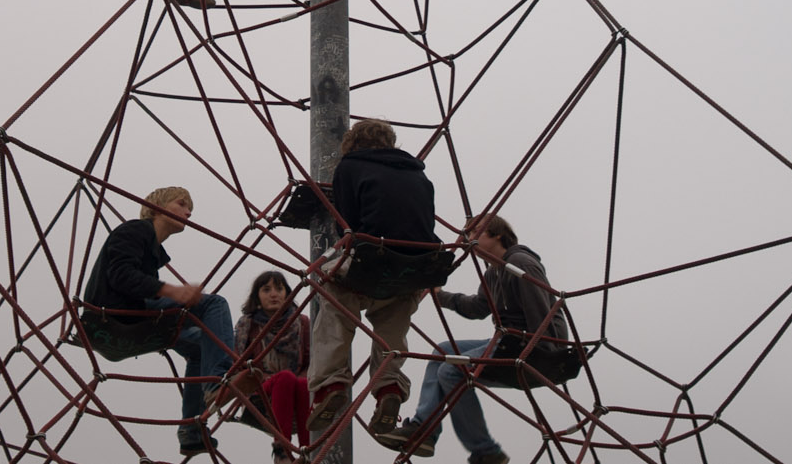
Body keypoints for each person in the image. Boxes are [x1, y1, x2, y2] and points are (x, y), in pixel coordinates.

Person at [372, 215, 567, 464]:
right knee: (441, 351)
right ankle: (423, 429)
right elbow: (477, 308)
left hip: (533, 343)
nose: (469, 240)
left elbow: (540, 308)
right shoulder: (493, 273)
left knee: (451, 371)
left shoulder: (520, 262)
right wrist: (440, 295)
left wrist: (544, 351)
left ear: (497, 234)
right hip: (510, 340)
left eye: (475, 233)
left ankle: (486, 451)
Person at [306, 119, 441, 439]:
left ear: (352, 143)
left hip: (375, 256)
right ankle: (389, 384)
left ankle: (331, 384)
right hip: (418, 263)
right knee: (394, 314)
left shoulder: (350, 167)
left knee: (336, 296)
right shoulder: (418, 173)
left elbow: (346, 226)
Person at [82, 186, 237, 456]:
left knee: (201, 346)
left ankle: (191, 430)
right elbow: (120, 275)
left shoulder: (153, 251)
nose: (189, 212)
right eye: (182, 204)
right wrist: (171, 290)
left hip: (130, 323)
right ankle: (218, 381)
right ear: (158, 206)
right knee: (213, 304)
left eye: (191, 208)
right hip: (112, 315)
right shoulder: (135, 230)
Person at [233, 270, 312, 462]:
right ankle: (281, 449)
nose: (274, 294)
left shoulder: (301, 323)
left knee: (301, 383)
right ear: (257, 297)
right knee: (285, 377)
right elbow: (238, 365)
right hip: (260, 390)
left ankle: (307, 451)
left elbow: (310, 362)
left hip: (294, 389)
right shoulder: (248, 324)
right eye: (266, 289)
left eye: (279, 288)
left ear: (287, 294)